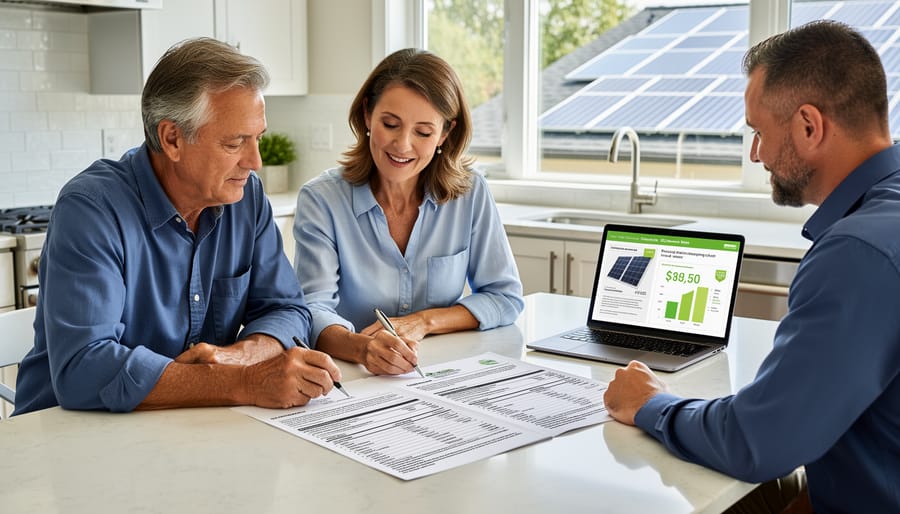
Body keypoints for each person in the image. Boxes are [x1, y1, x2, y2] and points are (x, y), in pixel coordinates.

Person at [603, 20, 900, 513]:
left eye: (759, 132)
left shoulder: (858, 253)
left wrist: (650, 403)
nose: (756, 153)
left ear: (809, 125)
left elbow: (758, 442)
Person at [13, 38, 342, 415]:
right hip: (68, 437)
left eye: (258, 139)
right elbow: (84, 369)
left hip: (185, 426)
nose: (255, 161)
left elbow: (286, 309)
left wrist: (240, 356)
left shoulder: (245, 196)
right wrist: (244, 382)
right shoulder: (91, 210)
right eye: (236, 143)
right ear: (172, 139)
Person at [293, 48, 524, 376]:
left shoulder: (470, 193)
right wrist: (364, 348)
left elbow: (505, 298)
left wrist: (424, 322)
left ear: (445, 133)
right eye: (391, 124)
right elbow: (311, 310)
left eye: (423, 132)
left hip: (443, 373)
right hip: (357, 376)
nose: (402, 145)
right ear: (367, 116)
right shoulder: (322, 200)